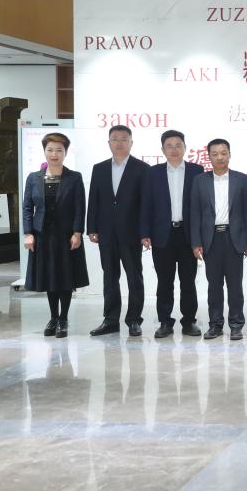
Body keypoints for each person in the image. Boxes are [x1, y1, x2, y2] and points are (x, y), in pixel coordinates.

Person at [139, 130, 205, 339]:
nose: (174, 149)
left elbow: (202, 205)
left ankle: (189, 321)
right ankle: (165, 322)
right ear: (162, 149)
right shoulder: (153, 172)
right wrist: (145, 232)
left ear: (185, 148)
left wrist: (200, 235)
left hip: (187, 235)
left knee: (188, 281)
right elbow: (146, 204)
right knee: (164, 281)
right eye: (169, 146)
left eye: (178, 145)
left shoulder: (197, 171)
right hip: (162, 235)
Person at [23, 133, 88, 338]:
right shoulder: (33, 178)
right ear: (44, 151)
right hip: (42, 236)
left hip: (66, 236)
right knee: (49, 277)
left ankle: (63, 319)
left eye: (59, 150)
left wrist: (77, 232)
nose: (54, 154)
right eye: (50, 149)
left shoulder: (74, 177)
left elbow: (80, 208)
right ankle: (53, 317)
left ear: (65, 152)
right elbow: (27, 208)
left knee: (65, 277)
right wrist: (28, 233)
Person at [87, 125, 150, 337]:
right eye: (115, 139)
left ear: (131, 143)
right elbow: (93, 199)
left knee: (134, 277)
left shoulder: (142, 168)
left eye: (124, 139)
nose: (119, 142)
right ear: (109, 143)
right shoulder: (99, 168)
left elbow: (146, 204)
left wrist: (145, 232)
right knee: (110, 277)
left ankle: (134, 320)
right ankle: (110, 320)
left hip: (131, 233)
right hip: (106, 232)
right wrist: (91, 227)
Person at [190, 139, 247, 341]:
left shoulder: (242, 179)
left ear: (229, 154)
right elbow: (195, 213)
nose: (220, 157)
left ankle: (236, 324)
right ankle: (215, 325)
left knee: (235, 286)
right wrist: (196, 242)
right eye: (215, 154)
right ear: (209, 156)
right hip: (210, 240)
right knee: (214, 286)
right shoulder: (200, 181)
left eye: (224, 153)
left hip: (234, 238)